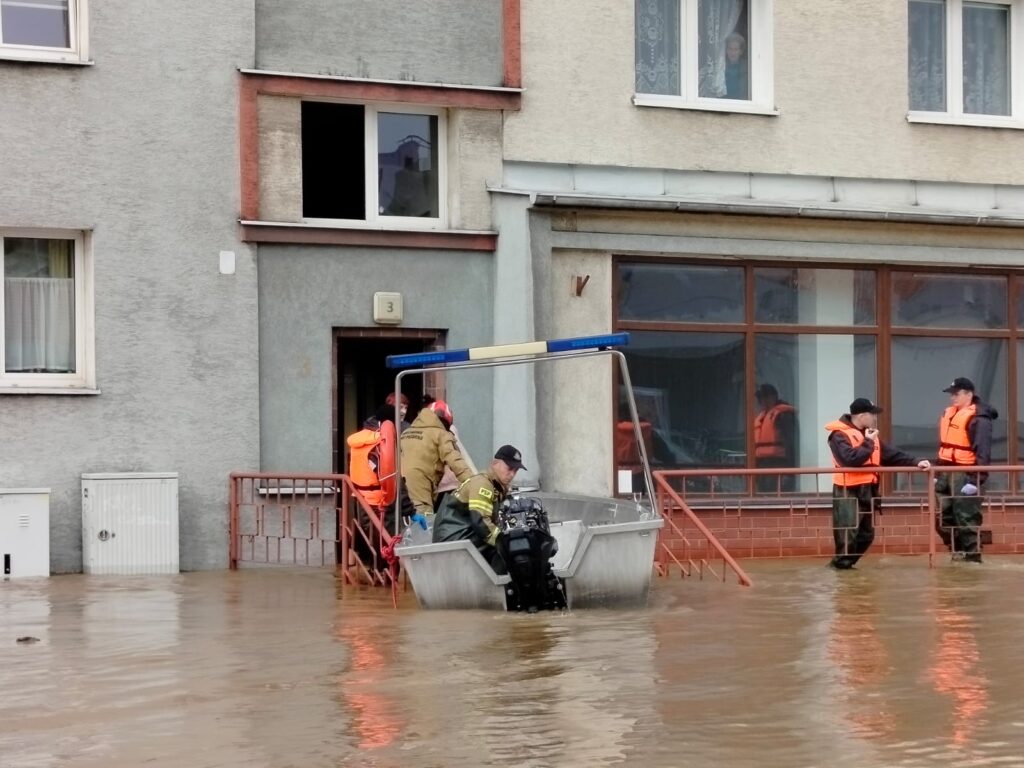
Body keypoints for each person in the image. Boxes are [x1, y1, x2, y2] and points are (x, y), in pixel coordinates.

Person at [825, 398, 931, 569]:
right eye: (872, 414)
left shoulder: (869, 435)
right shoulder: (839, 435)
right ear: (861, 415)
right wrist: (868, 443)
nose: (874, 418)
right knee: (847, 534)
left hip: (867, 490)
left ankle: (845, 567)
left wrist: (916, 461)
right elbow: (849, 460)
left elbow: (892, 455)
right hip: (847, 490)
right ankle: (841, 571)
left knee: (867, 534)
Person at [432, 445, 525, 573]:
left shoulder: (496, 486)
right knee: (505, 549)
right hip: (453, 539)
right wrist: (507, 541)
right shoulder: (483, 484)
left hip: (460, 535)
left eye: (516, 470)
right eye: (509, 468)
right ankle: (499, 587)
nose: (512, 474)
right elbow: (481, 523)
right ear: (495, 463)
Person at [935, 377, 997, 563]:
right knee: (943, 518)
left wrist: (975, 480)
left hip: (966, 474)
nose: (953, 398)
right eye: (951, 394)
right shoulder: (950, 413)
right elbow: (944, 446)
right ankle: (957, 552)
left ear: (969, 394)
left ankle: (972, 559)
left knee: (967, 518)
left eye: (957, 394)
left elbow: (983, 452)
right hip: (946, 472)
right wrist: (937, 473)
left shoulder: (979, 418)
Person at [400, 399, 474, 518]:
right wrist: (475, 485)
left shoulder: (405, 433)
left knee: (400, 533)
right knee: (423, 532)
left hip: (398, 497)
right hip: (420, 496)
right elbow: (456, 463)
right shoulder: (441, 434)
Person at [753, 384, 797, 492]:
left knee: (776, 498)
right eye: (760, 398)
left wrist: (790, 472)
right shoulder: (763, 417)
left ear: (772, 397)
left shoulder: (783, 416)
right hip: (764, 465)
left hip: (779, 465)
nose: (761, 401)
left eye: (763, 398)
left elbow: (790, 443)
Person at [724, 32, 749, 100]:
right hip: (723, 101)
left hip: (740, 102)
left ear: (740, 51)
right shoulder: (721, 66)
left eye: (736, 49)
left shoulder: (747, 67)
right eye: (730, 49)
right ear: (726, 50)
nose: (732, 52)